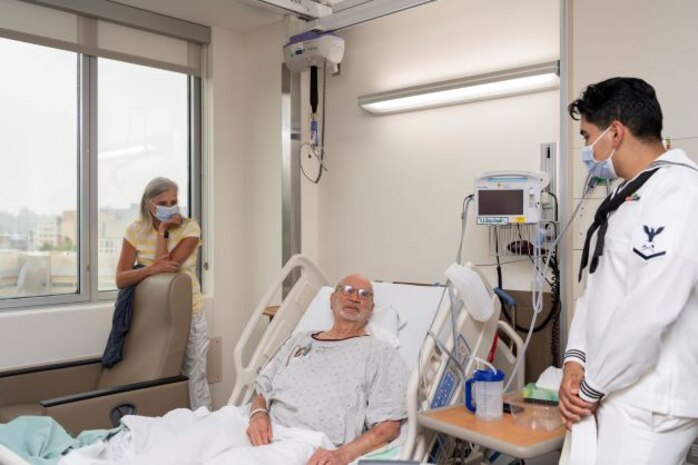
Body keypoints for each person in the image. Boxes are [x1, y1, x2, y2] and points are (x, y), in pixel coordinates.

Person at [559, 77, 698, 464]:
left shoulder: (679, 192)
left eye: (588, 137)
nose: (587, 149)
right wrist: (575, 362)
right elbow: (600, 290)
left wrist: (591, 386)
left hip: (651, 402)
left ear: (615, 132)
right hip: (613, 389)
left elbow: (652, 307)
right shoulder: (626, 196)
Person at [246, 274, 409, 465]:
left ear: (371, 309)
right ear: (332, 300)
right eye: (348, 290)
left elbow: (388, 427)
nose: (355, 298)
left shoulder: (380, 352)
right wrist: (258, 415)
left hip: (308, 444)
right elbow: (262, 391)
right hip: (261, 429)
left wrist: (342, 455)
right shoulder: (299, 339)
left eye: (364, 294)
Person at [116, 177, 211, 410]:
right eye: (163, 202)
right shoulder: (135, 231)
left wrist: (162, 231)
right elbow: (121, 278)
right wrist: (150, 269)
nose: (170, 207)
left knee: (195, 377)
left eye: (173, 201)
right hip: (153, 315)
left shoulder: (190, 228)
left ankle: (205, 427)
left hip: (190, 313)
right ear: (149, 204)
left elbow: (167, 269)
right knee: (161, 376)